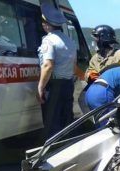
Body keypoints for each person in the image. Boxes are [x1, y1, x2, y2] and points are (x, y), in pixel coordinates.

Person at [37, 3, 77, 139]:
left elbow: (48, 65)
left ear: (48, 24)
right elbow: (74, 65)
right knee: (66, 120)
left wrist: (40, 87)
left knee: (52, 123)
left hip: (54, 86)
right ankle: (67, 148)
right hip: (68, 85)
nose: (42, 25)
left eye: (43, 22)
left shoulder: (48, 41)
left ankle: (52, 154)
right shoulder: (70, 42)